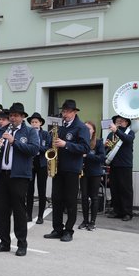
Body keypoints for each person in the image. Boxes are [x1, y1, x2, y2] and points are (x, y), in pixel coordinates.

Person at [0, 103, 40, 257]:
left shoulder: (29, 131)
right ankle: (4, 242)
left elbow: (34, 150)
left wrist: (14, 142)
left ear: (22, 117)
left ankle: (21, 243)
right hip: (2, 175)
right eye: (11, 115)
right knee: (3, 210)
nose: (13, 118)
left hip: (19, 176)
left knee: (19, 211)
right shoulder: (3, 130)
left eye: (16, 115)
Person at [43, 99, 90, 242]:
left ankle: (69, 231)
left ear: (74, 112)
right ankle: (57, 229)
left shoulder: (81, 127)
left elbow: (85, 148)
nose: (65, 114)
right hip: (58, 168)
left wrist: (66, 144)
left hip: (72, 169)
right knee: (56, 200)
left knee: (70, 201)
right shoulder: (61, 127)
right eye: (63, 111)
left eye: (68, 112)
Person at [105, 115, 135, 221]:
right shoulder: (111, 134)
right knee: (114, 188)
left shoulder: (130, 132)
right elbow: (107, 149)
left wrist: (117, 131)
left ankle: (127, 212)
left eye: (122, 121)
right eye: (117, 121)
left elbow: (127, 140)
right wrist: (106, 146)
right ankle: (117, 211)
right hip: (113, 164)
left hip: (125, 165)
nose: (119, 122)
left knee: (125, 189)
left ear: (127, 123)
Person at [79, 121, 105, 231]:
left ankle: (92, 222)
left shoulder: (98, 142)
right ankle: (85, 220)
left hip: (95, 173)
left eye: (89, 128)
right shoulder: (81, 141)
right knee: (84, 198)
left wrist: (87, 155)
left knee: (94, 197)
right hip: (84, 173)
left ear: (93, 130)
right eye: (85, 128)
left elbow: (101, 158)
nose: (87, 130)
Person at [26, 112, 50, 225]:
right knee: (29, 190)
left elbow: (48, 148)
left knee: (42, 190)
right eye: (32, 122)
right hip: (30, 163)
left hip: (42, 163)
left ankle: (40, 216)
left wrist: (36, 147)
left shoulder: (45, 134)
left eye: (36, 122)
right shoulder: (28, 133)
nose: (34, 123)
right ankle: (28, 214)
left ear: (40, 123)